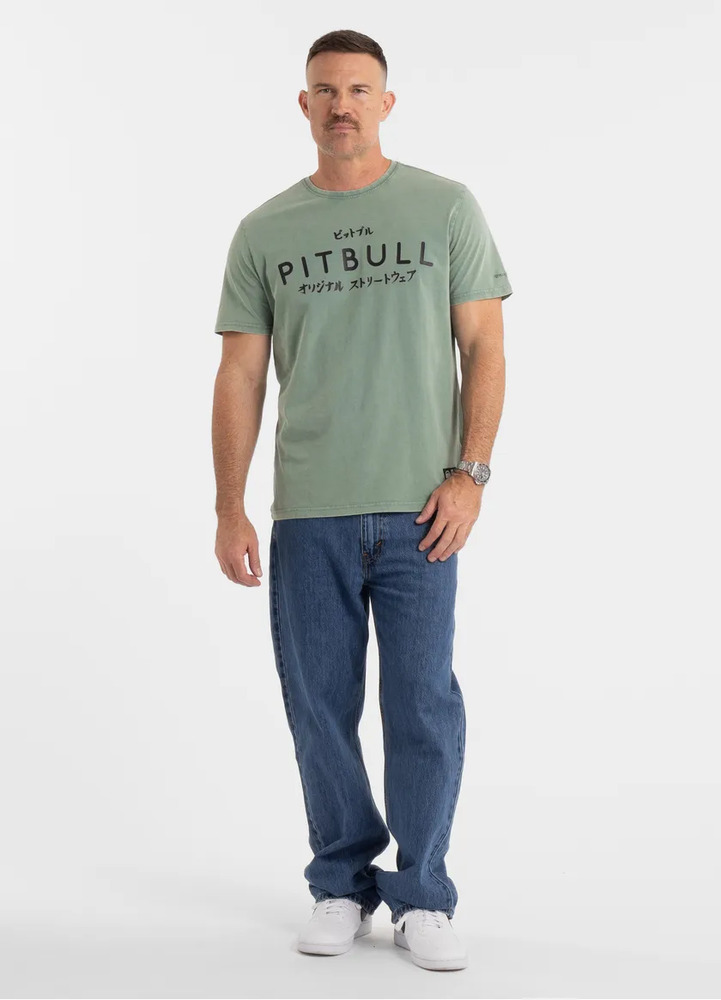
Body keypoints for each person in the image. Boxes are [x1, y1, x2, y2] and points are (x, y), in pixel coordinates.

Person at [211, 29, 513, 973]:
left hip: (423, 510)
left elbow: (485, 347)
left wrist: (469, 474)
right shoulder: (265, 230)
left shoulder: (444, 206)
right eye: (324, 89)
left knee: (422, 704)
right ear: (303, 104)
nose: (340, 104)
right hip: (310, 512)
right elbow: (240, 375)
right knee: (318, 706)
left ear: (386, 103)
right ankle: (340, 881)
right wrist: (229, 505)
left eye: (357, 89)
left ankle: (421, 893)